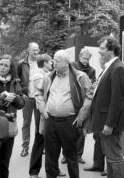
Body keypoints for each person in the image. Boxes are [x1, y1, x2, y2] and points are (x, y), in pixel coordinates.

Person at [34, 50, 93, 178]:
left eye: (57, 61)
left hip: (70, 122)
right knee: (50, 156)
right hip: (50, 120)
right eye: (54, 60)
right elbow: (37, 91)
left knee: (71, 156)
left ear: (66, 62)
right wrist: (42, 108)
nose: (54, 63)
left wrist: (82, 115)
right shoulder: (49, 76)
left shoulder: (80, 76)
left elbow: (90, 96)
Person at [89, 36, 124, 178]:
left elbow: (117, 100)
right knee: (111, 157)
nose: (99, 52)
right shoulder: (111, 67)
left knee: (114, 157)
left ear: (112, 50)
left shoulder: (118, 68)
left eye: (102, 49)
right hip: (105, 121)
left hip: (109, 123)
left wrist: (109, 123)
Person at [30, 54, 65, 178]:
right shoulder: (39, 76)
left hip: (53, 112)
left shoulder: (50, 74)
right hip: (43, 112)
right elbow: (44, 92)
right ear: (44, 63)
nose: (52, 64)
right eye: (51, 61)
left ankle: (54, 169)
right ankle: (34, 171)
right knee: (40, 141)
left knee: (55, 143)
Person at [61, 47, 96, 164]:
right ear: (80, 56)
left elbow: (92, 85)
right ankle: (66, 155)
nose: (86, 60)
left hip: (84, 103)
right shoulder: (72, 66)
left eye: (88, 59)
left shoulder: (92, 70)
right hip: (71, 101)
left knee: (81, 130)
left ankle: (78, 155)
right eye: (84, 58)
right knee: (67, 131)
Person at [0, 54, 25, 178]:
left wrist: (16, 98)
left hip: (9, 125)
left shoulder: (15, 82)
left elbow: (22, 104)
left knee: (5, 162)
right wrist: (1, 98)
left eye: (6, 65)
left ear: (10, 68)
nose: (2, 67)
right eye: (0, 64)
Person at [17, 42, 41, 157]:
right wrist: (21, 93)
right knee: (26, 123)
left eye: (37, 50)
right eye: (33, 50)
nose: (36, 52)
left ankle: (39, 146)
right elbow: (17, 80)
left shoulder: (41, 62)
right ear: (28, 50)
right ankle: (25, 147)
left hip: (39, 98)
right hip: (27, 97)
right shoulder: (21, 64)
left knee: (39, 123)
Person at [84, 57, 107, 176]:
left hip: (105, 114)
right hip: (98, 113)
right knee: (97, 139)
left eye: (102, 61)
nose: (101, 63)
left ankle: (109, 168)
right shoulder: (102, 73)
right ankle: (98, 164)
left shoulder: (111, 73)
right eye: (101, 61)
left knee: (107, 142)